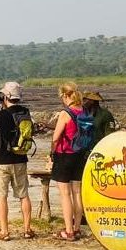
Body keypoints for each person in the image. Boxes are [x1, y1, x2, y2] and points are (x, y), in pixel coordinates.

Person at [0, 81, 34, 241]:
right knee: (24, 195)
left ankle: (4, 231)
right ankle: (27, 229)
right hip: (20, 158)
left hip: (3, 160)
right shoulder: (25, 112)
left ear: (6, 96)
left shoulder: (2, 115)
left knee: (1, 196)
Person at [50, 82, 88, 241]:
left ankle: (68, 230)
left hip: (65, 155)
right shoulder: (84, 112)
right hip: (80, 155)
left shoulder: (65, 113)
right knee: (77, 193)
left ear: (66, 95)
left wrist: (51, 153)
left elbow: (56, 137)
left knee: (65, 194)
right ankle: (77, 228)